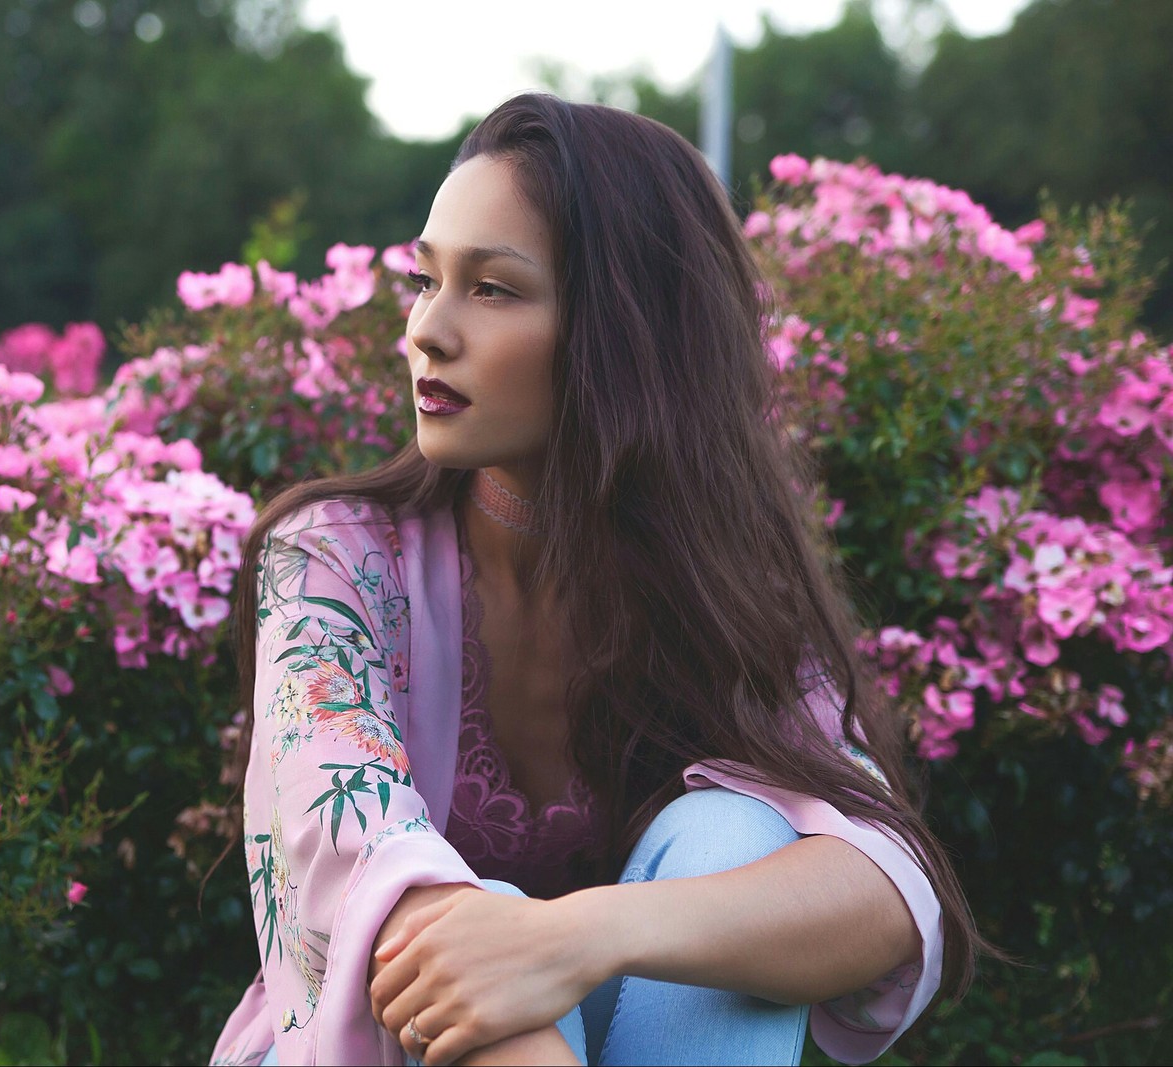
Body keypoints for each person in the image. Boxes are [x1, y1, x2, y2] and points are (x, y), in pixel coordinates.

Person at [210, 92, 981, 1067]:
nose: (427, 332)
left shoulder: (716, 584)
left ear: (620, 331)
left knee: (733, 833)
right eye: (426, 279)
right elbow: (393, 912)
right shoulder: (327, 563)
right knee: (467, 921)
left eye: (492, 288)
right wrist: (515, 943)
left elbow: (882, 888)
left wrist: (580, 934)